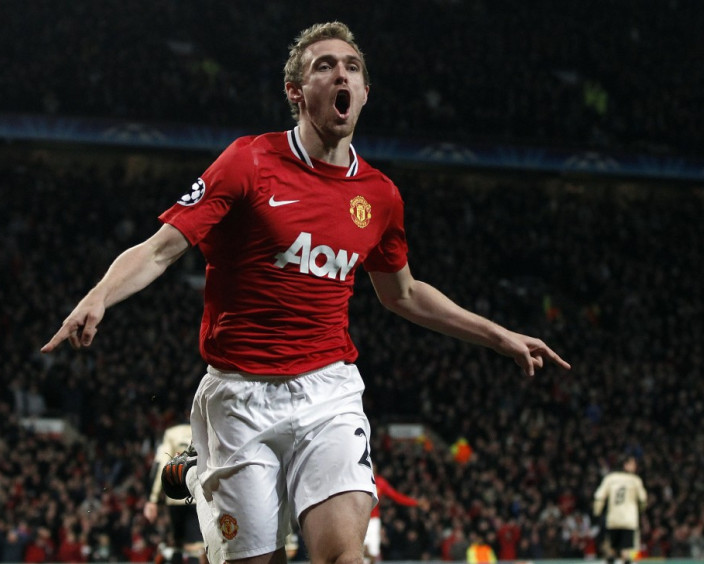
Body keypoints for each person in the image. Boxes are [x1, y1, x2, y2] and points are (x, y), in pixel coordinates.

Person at [42, 20, 571, 564]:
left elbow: (404, 294)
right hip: (240, 396)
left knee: (344, 557)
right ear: (296, 92)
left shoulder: (380, 196)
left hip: (329, 392)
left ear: (364, 93)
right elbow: (161, 249)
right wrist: (99, 294)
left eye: (353, 67)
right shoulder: (248, 161)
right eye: (325, 65)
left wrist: (499, 335)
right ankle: (202, 468)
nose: (341, 73)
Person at [145, 422, 207, 564]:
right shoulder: (203, 427)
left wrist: (152, 499)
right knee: (197, 546)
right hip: (199, 494)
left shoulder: (171, 434)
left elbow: (161, 464)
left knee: (177, 543)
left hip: (175, 497)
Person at [364, 465, 428, 564]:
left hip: (373, 521)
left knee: (373, 552)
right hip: (359, 520)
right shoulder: (358, 482)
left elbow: (396, 496)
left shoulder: (380, 482)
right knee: (360, 551)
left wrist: (416, 502)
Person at [593, 455, 648, 564]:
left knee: (611, 549)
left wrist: (597, 513)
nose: (635, 466)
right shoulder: (635, 480)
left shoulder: (610, 478)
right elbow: (643, 499)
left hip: (613, 519)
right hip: (629, 520)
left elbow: (599, 497)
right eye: (632, 464)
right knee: (626, 551)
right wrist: (641, 511)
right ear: (625, 465)